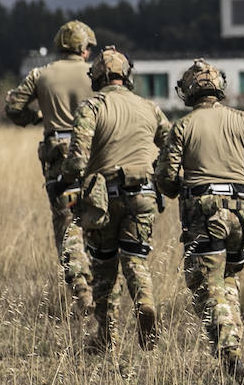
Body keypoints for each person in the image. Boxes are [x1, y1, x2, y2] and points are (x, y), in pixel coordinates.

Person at [156, 59, 244, 383]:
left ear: (187, 91)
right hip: (243, 219)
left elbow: (167, 178)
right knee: (229, 284)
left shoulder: (183, 127)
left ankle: (230, 354)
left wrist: (180, 186)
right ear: (220, 87)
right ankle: (235, 350)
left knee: (208, 287)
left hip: (206, 217)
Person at [63, 46, 171, 352]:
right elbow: (171, 145)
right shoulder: (149, 107)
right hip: (145, 193)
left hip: (104, 198)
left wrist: (70, 178)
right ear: (127, 76)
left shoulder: (91, 107)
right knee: (136, 259)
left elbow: (77, 160)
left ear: (97, 77)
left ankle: (106, 335)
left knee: (104, 267)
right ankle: (145, 302)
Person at [4, 20, 96, 315]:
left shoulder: (40, 75)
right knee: (102, 224)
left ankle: (83, 293)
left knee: (69, 228)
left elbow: (14, 107)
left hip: (60, 163)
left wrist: (36, 118)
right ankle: (107, 293)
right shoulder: (98, 73)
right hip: (97, 160)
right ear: (84, 48)